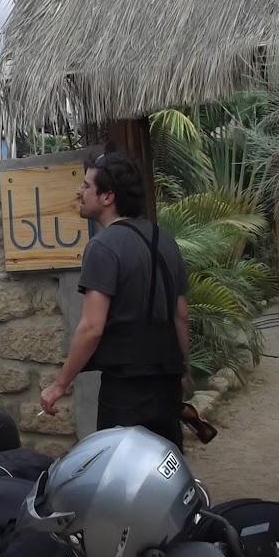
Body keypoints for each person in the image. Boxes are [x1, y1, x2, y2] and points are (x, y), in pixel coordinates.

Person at [40, 150, 190, 449]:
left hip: (126, 390)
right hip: (167, 384)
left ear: (108, 197)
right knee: (164, 465)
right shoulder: (165, 240)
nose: (79, 191)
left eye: (86, 186)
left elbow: (91, 327)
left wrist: (59, 385)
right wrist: (182, 371)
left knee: (122, 468)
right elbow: (182, 316)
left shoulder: (103, 246)